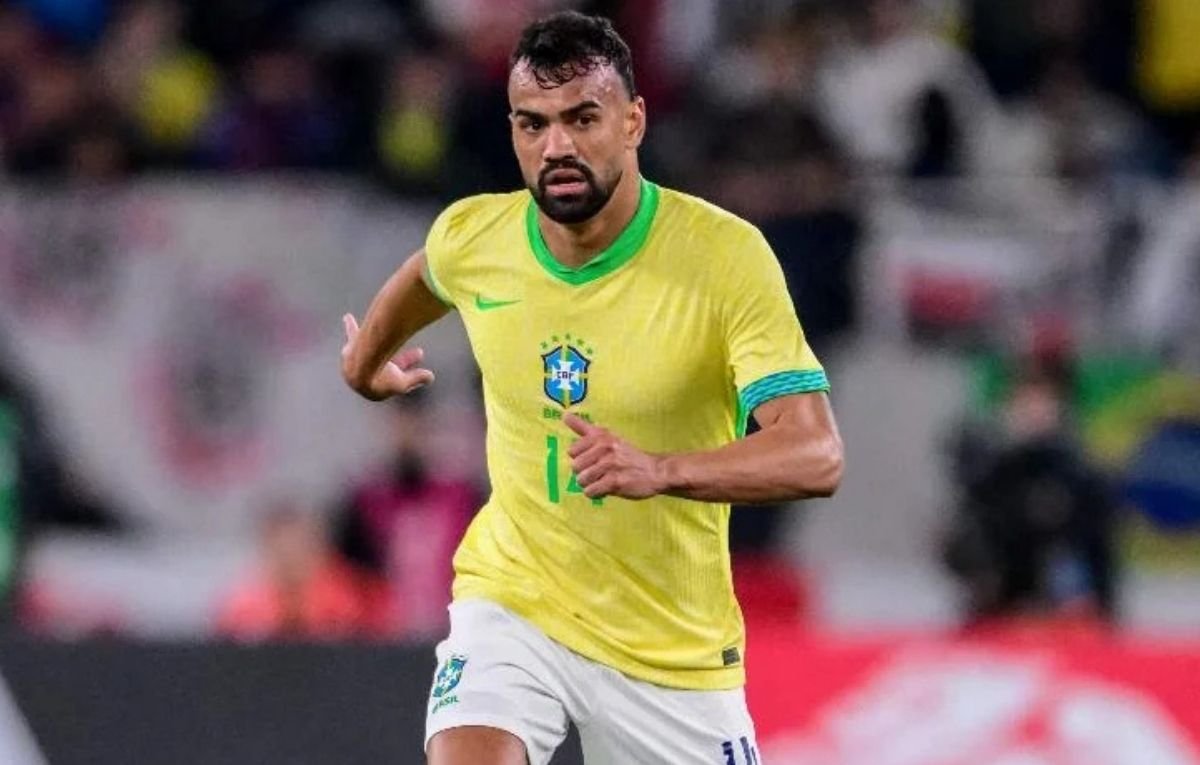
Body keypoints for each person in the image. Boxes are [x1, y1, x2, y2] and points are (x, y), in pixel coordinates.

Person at [340, 11, 844, 764]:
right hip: (515, 602)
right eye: (532, 124)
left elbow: (816, 454)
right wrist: (365, 365)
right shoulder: (480, 236)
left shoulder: (725, 257)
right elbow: (428, 273)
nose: (557, 147)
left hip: (672, 650)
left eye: (582, 118)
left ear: (633, 120)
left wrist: (662, 469)